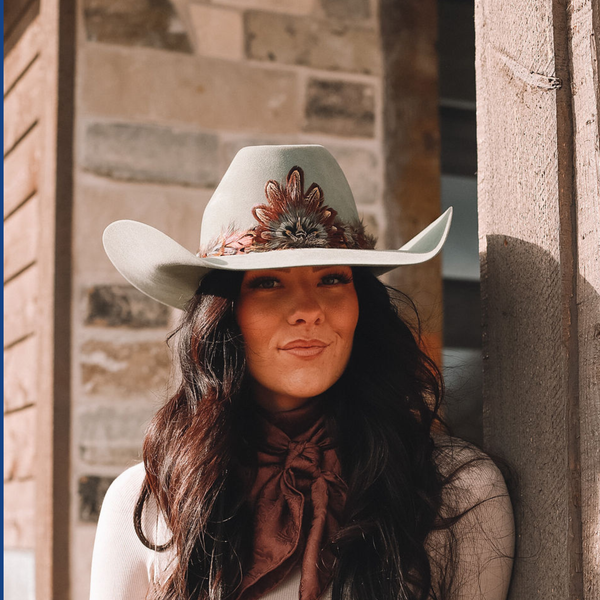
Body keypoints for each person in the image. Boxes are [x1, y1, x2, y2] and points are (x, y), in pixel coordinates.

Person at [91, 145, 514, 600]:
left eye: (332, 278)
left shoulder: (457, 489)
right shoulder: (149, 502)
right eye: (269, 282)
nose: (308, 311)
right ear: (224, 315)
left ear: (361, 307)